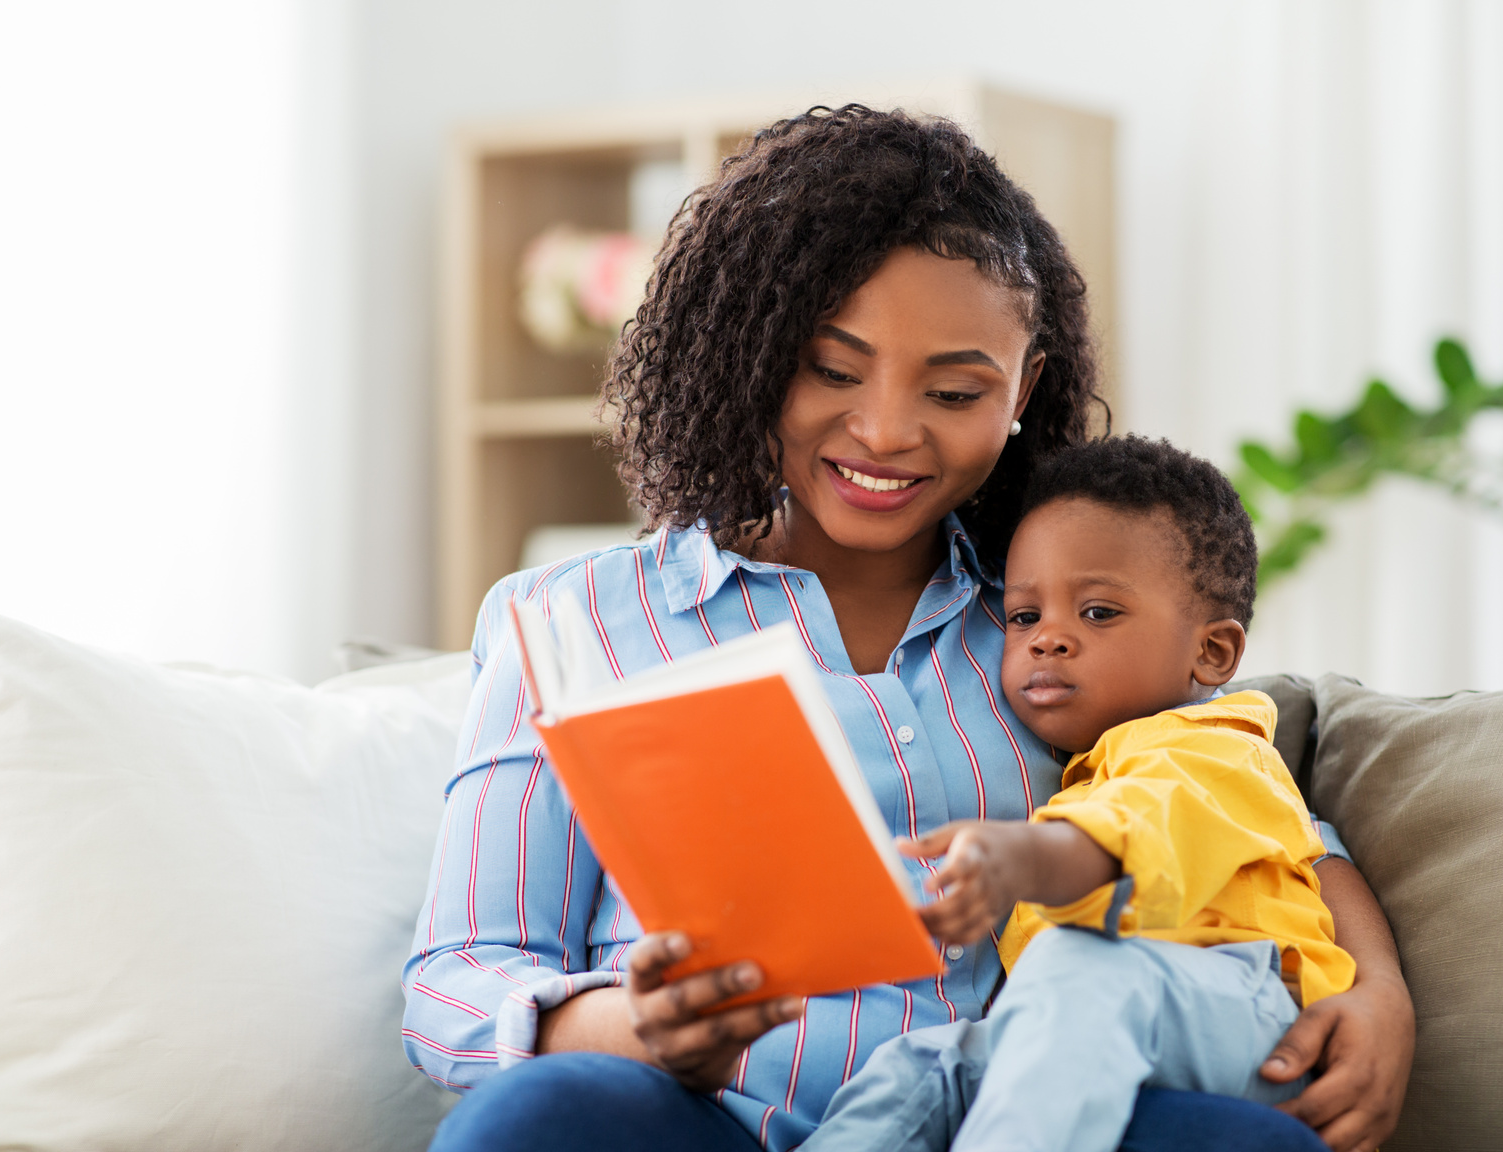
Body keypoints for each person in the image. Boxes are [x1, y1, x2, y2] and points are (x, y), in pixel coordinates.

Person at [406, 106, 1413, 1152]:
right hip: (702, 1121)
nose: (886, 429)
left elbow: (1255, 819)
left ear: (1023, 389)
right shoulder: (571, 621)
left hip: (1007, 1120)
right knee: (536, 1120)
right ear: (753, 355)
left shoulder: (1058, 623)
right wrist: (638, 1028)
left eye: (954, 389)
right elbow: (456, 979)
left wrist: (1381, 995)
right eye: (832, 370)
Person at [800, 435, 1355, 1152]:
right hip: (1095, 1022)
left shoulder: (1214, 748)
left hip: (1251, 1013)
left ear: (1212, 652)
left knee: (1080, 969)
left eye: (1097, 613)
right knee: (922, 1065)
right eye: (1025, 616)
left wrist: (1021, 858)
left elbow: (1128, 834)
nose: (1047, 639)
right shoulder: (1081, 765)